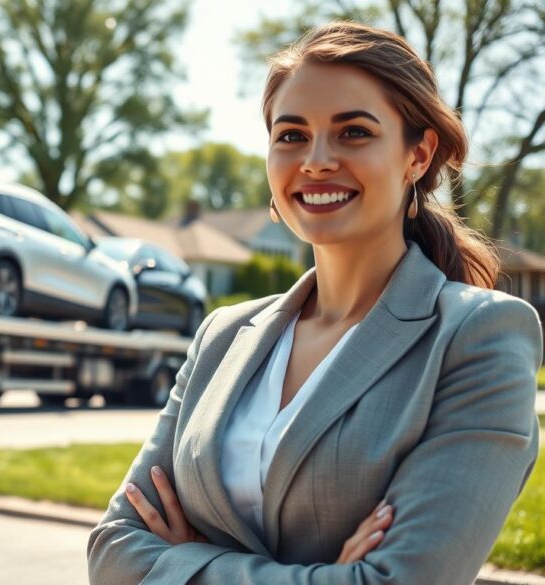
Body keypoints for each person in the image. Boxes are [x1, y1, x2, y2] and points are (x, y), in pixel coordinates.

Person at [87, 21, 543, 585]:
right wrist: (323, 575)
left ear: (418, 156)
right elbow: (111, 552)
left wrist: (183, 564)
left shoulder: (480, 336)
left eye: (353, 132)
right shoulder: (222, 336)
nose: (316, 160)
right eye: (292, 135)